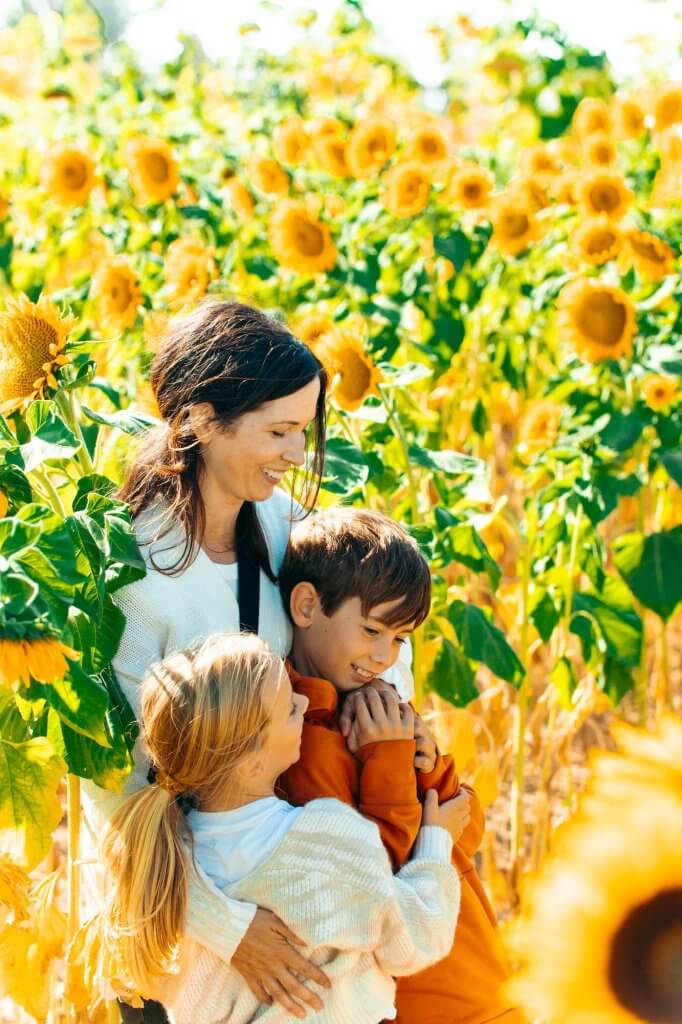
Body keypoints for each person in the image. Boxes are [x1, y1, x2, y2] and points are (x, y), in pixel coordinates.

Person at [83, 299, 415, 1020]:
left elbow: (380, 624)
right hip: (177, 935)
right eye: (279, 431)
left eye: (303, 430)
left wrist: (383, 712)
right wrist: (228, 930)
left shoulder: (283, 525)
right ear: (201, 420)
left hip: (287, 896)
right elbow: (116, 795)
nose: (297, 455)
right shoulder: (132, 577)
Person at [97, 633, 465, 1024]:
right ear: (250, 762)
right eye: (291, 708)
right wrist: (436, 842)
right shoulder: (323, 839)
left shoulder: (160, 860)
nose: (305, 703)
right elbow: (415, 940)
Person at [278, 508, 527, 1024]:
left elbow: (465, 830)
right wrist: (390, 758)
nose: (385, 655)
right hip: (422, 1001)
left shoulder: (380, 705)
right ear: (305, 605)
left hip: (480, 983)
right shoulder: (300, 738)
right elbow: (371, 881)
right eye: (371, 630)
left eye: (399, 639)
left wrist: (431, 765)